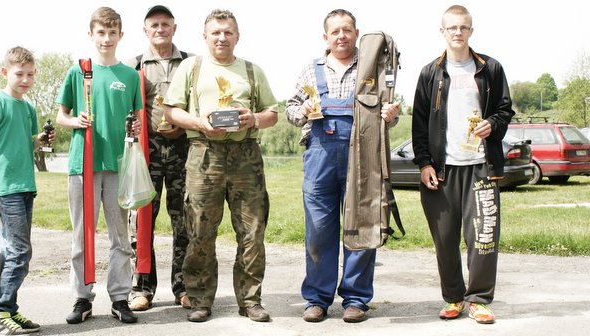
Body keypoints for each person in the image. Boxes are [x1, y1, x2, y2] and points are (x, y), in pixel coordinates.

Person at [163, 8, 279, 323]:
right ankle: (200, 299)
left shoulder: (252, 71)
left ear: (237, 36)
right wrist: (199, 122)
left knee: (252, 232)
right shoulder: (191, 67)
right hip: (203, 154)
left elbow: (273, 112)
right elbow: (172, 111)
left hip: (245, 156)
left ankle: (250, 300)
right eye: (215, 32)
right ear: (205, 36)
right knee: (199, 230)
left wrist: (253, 118)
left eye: (228, 32)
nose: (222, 37)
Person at [285, 9, 400, 324]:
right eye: (335, 31)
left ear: (356, 32)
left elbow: (389, 111)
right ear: (326, 37)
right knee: (319, 230)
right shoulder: (311, 70)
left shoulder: (373, 68)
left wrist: (391, 115)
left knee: (361, 224)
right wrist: (304, 109)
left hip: (362, 159)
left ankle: (356, 299)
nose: (341, 36)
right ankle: (317, 299)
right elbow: (290, 109)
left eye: (347, 30)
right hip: (319, 158)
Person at [411, 4, 515, 325]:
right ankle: (454, 298)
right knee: (444, 238)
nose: (458, 33)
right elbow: (418, 123)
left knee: (483, 235)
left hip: (481, 166)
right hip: (442, 170)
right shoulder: (431, 72)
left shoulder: (490, 68)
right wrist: (424, 164)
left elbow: (504, 110)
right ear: (442, 31)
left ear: (472, 31)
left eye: (463, 28)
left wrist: (492, 124)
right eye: (452, 28)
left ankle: (480, 299)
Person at [56, 6, 142, 325]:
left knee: (120, 235)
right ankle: (82, 296)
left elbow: (136, 120)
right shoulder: (78, 71)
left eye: (112, 32)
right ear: (91, 35)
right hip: (83, 163)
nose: (106, 38)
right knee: (82, 233)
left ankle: (120, 297)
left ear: (121, 35)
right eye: (101, 32)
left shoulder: (131, 75)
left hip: (117, 164)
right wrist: (73, 120)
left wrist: (133, 129)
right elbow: (60, 115)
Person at [124, 4, 191, 312]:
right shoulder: (133, 65)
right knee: (141, 221)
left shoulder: (191, 63)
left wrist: (185, 123)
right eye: (155, 25)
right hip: (146, 152)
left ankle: (184, 286)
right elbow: (124, 109)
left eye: (166, 24)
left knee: (184, 221)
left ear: (174, 28)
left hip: (183, 149)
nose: (160, 29)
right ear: (145, 30)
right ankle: (142, 287)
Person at [0, 46, 52, 335]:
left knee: (18, 252)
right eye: (19, 74)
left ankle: (9, 310)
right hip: (6, 188)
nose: (25, 79)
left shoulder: (28, 108)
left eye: (30, 74)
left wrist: (42, 139)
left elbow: (28, 143)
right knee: (19, 251)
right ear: (5, 72)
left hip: (26, 187)